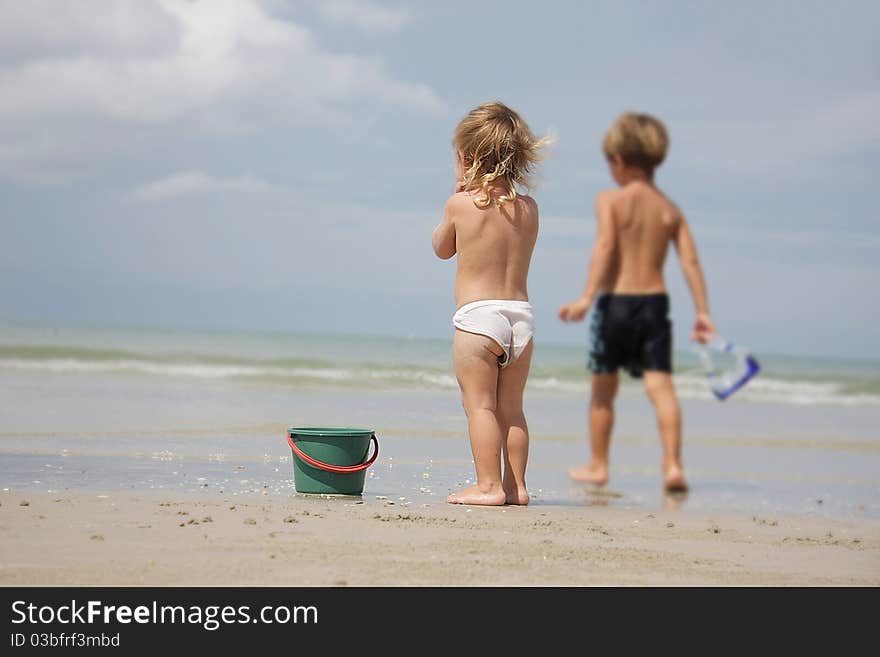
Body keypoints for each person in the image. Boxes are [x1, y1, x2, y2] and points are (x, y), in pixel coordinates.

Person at [558, 112, 715, 494]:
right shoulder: (669, 209)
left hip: (615, 305)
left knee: (602, 391)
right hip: (654, 305)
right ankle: (673, 465)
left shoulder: (610, 200)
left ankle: (598, 465)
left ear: (619, 160)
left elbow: (606, 246)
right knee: (661, 388)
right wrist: (702, 312)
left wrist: (586, 296)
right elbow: (690, 261)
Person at [432, 101, 550, 506]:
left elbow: (441, 249)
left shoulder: (460, 205)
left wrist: (456, 198)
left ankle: (487, 486)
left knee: (480, 407)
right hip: (521, 319)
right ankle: (516, 487)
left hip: (478, 319)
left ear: (467, 158)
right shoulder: (529, 210)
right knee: (512, 410)